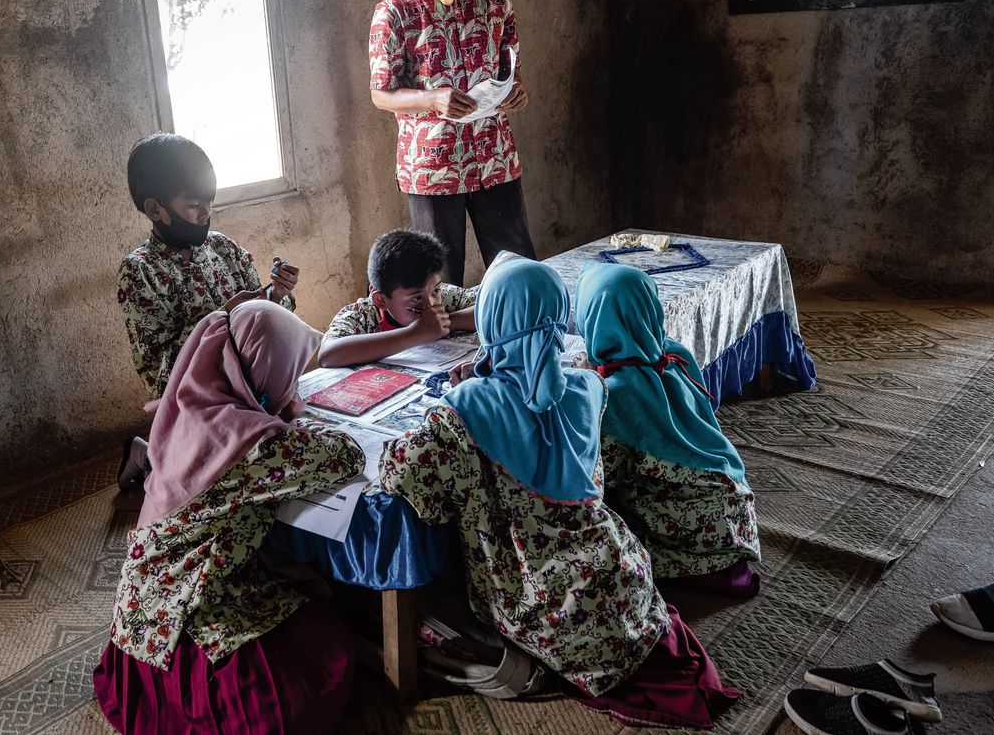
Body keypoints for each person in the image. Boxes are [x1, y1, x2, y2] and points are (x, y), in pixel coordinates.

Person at [378, 255, 739, 728]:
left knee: (436, 600)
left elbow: (404, 478)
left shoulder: (464, 410)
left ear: (491, 319)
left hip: (542, 599)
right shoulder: (591, 386)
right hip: (621, 573)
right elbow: (542, 396)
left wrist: (463, 398)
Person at [93, 300, 365, 734]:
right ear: (263, 372)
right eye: (288, 373)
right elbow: (345, 456)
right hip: (186, 623)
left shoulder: (191, 403)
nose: (293, 384)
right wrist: (291, 419)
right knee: (325, 658)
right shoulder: (253, 444)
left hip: (140, 614)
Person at [368, 0, 537, 286]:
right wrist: (433, 99)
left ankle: (526, 346)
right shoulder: (394, 9)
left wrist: (517, 92)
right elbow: (380, 93)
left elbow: (509, 70)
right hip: (432, 167)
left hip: (495, 157)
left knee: (521, 274)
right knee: (440, 285)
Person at [116, 133, 300, 489]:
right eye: (193, 205)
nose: (206, 214)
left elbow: (264, 317)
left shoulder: (224, 250)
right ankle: (151, 456)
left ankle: (168, 453)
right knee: (232, 480)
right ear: (155, 210)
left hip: (250, 384)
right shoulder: (139, 272)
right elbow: (159, 372)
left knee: (289, 432)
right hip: (198, 399)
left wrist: (276, 295)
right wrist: (223, 318)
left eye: (209, 202)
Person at [574, 264, 762, 597]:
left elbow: (602, 476)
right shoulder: (674, 354)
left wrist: (588, 384)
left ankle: (694, 568)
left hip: (700, 536)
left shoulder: (614, 395)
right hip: (735, 508)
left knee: (598, 534)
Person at [319, 229, 476, 367]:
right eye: (416, 299)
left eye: (435, 291)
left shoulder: (443, 296)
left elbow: (494, 307)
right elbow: (328, 355)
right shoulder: (361, 315)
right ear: (381, 300)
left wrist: (445, 323)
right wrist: (414, 334)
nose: (431, 305)